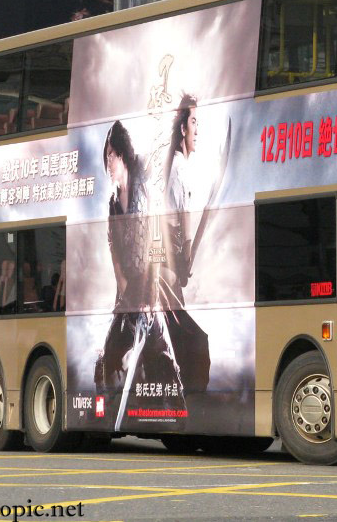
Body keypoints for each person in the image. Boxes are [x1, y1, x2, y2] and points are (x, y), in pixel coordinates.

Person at [94, 120, 185, 427]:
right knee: (108, 356)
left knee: (162, 358)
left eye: (111, 155)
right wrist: (124, 293)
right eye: (106, 156)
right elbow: (114, 253)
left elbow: (153, 249)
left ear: (123, 155)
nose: (108, 162)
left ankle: (179, 414)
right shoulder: (112, 204)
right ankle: (105, 416)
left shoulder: (143, 194)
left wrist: (146, 299)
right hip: (127, 296)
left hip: (148, 295)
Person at [165, 94, 199, 288]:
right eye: (193, 122)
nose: (197, 131)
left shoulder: (173, 166)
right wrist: (186, 259)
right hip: (169, 262)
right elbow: (186, 233)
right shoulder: (180, 171)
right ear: (183, 129)